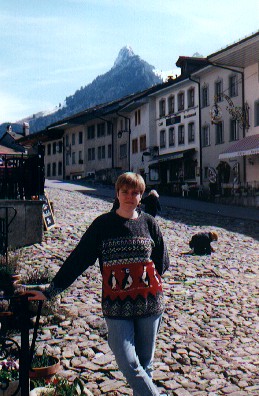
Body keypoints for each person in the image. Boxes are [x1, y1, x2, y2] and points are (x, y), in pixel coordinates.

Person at [27, 172, 170, 396]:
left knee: (145, 366)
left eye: (135, 193)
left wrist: (148, 281)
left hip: (150, 306)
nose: (130, 197)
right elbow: (79, 258)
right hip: (116, 306)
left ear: (141, 197)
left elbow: (162, 260)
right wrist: (51, 291)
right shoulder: (103, 225)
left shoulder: (149, 223)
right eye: (125, 192)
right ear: (117, 193)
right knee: (128, 361)